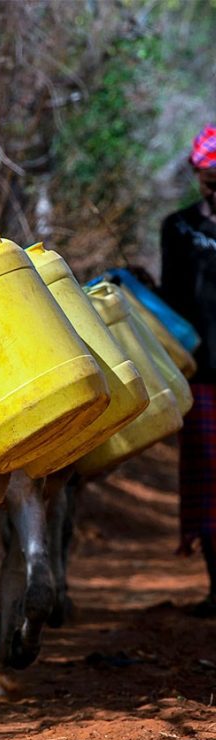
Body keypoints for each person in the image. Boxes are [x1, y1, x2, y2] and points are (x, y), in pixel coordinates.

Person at [160, 124, 216, 616]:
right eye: (208, 178)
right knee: (207, 480)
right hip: (201, 375)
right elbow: (172, 301)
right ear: (198, 175)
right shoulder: (177, 229)